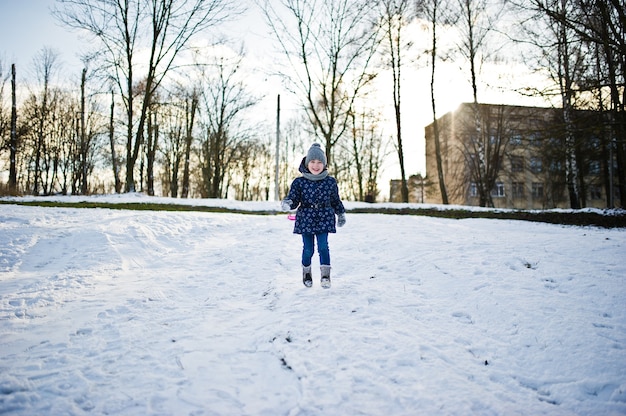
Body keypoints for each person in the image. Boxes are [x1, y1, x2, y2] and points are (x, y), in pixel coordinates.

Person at [281, 143, 346, 288]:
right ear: (307, 163)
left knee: (323, 247)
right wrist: (288, 203)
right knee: (308, 249)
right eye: (312, 162)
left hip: (324, 216)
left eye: (319, 162)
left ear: (324, 164)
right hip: (306, 218)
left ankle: (325, 275)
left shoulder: (330, 182)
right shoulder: (299, 182)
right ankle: (307, 272)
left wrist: (340, 213)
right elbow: (294, 199)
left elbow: (335, 200)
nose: (316, 165)